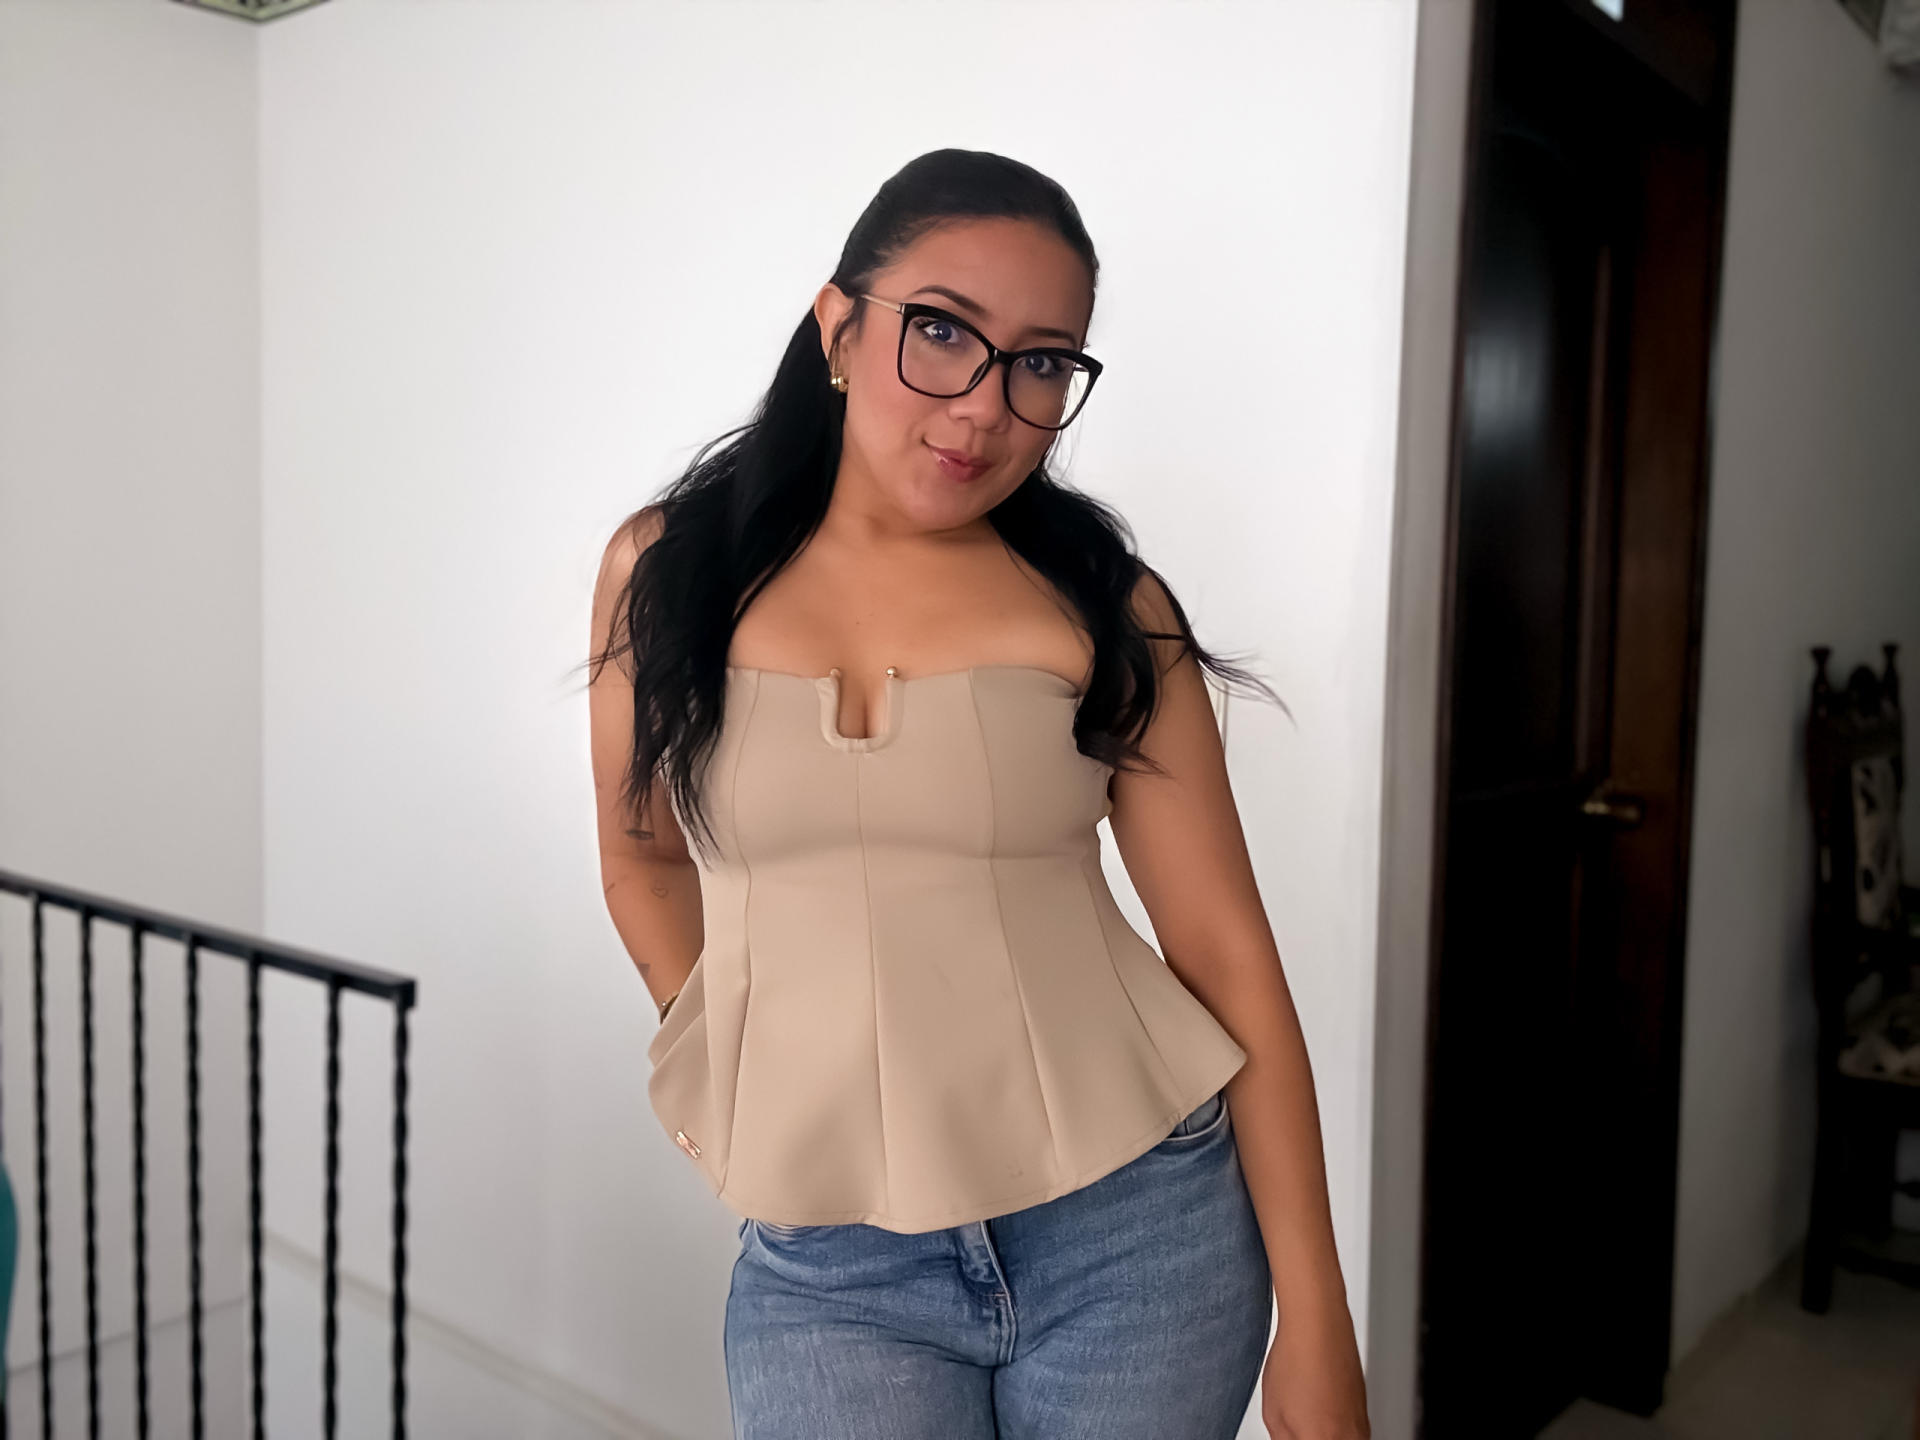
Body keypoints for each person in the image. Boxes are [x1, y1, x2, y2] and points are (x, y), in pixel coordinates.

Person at [586, 148, 1368, 1440]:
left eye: (1042, 363)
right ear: (838, 327)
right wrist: (731, 1049)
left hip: (1139, 1234)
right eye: (942, 332)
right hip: (832, 1262)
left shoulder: (1106, 607)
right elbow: (642, 860)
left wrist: (1320, 1319)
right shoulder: (666, 573)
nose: (985, 408)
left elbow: (1225, 952)